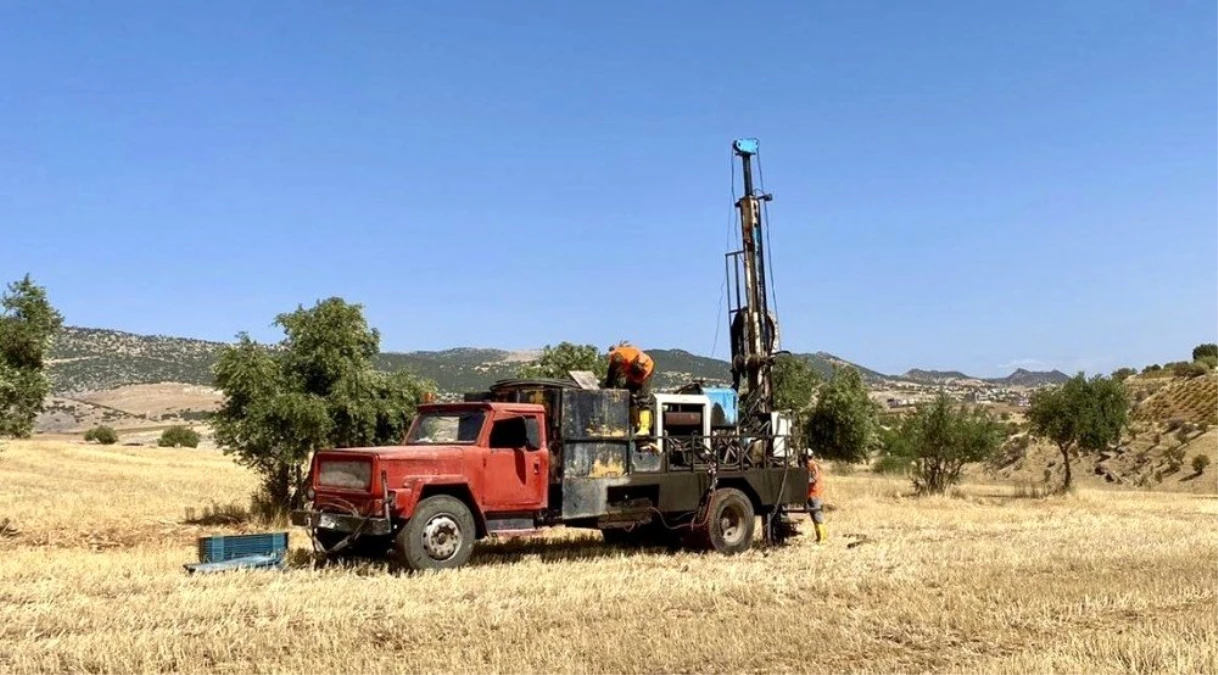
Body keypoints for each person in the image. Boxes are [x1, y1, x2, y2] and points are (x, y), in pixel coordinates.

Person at [604, 342, 655, 438]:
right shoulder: (615, 359)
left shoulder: (630, 353)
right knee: (628, 395)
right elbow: (611, 374)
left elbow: (641, 367)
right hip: (633, 374)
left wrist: (634, 373)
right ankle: (635, 424)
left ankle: (645, 428)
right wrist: (608, 387)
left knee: (643, 398)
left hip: (646, 371)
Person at [807, 454, 827, 544]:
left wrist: (803, 481)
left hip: (814, 493)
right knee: (813, 516)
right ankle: (818, 537)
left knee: (817, 515)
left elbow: (814, 478)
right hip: (810, 493)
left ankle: (823, 538)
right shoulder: (811, 464)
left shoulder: (811, 464)